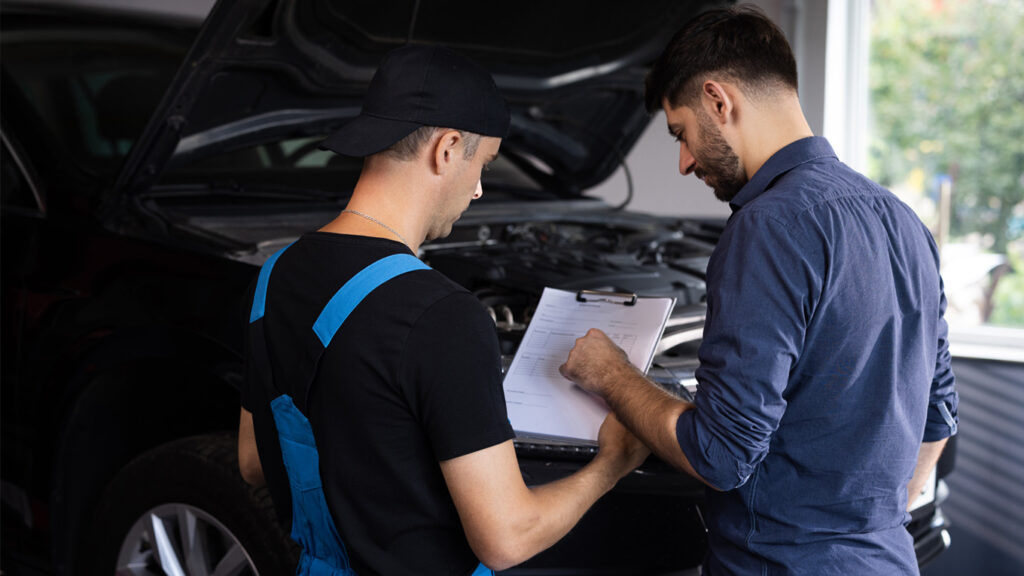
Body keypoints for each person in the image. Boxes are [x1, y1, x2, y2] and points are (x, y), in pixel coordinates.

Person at [558, 6, 958, 575]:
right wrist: (868, 525)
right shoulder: (901, 219)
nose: (684, 161)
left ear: (719, 102)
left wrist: (612, 374)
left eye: (682, 133)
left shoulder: (769, 226)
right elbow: (938, 413)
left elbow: (721, 454)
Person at [236, 45, 649, 576]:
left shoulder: (275, 274)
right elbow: (507, 538)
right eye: (484, 164)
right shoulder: (441, 315)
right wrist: (611, 464)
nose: (478, 189)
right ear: (448, 148)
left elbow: (253, 461)